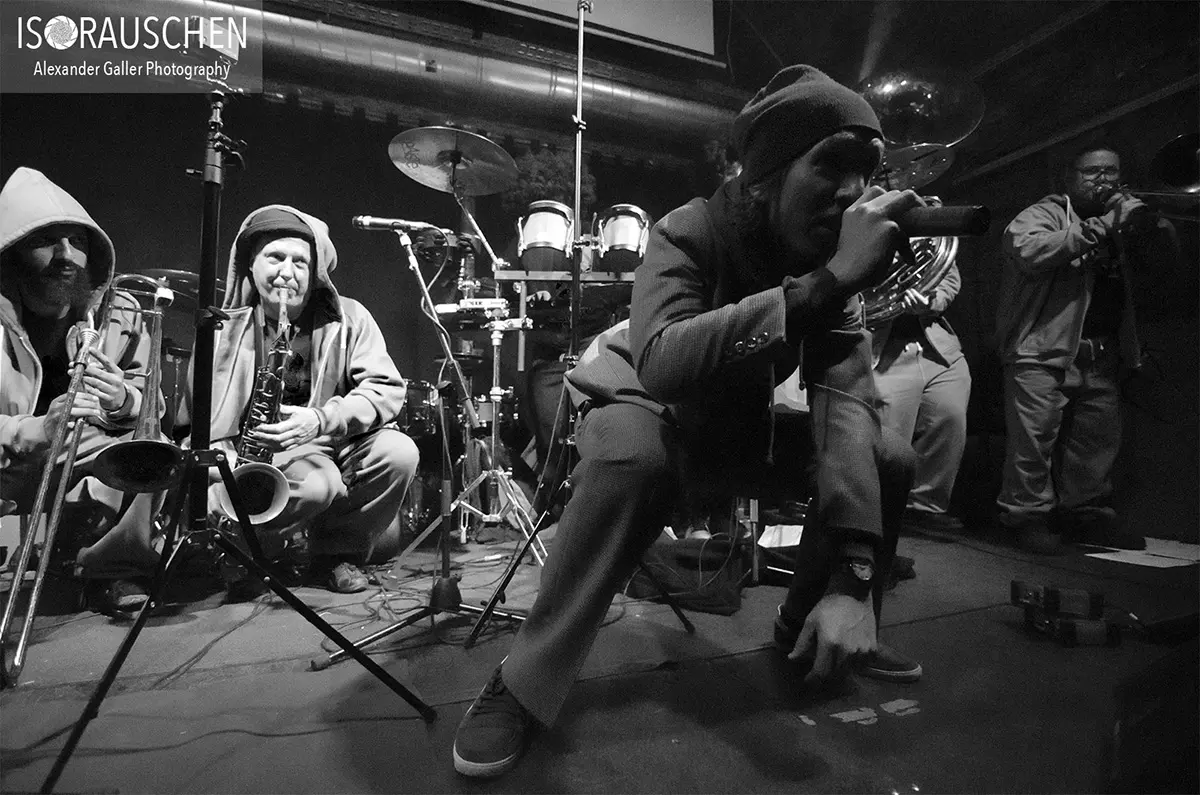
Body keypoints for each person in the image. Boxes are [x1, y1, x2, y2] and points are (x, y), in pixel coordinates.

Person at [452, 64, 921, 778]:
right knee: (632, 456)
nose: (853, 191)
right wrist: (821, 288)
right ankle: (522, 681)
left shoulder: (832, 264)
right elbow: (664, 363)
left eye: (867, 171)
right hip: (643, 403)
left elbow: (848, 401)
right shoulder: (690, 229)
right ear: (767, 175)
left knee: (886, 455)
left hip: (733, 424)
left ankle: (809, 628)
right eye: (832, 166)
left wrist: (854, 581)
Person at [181, 205, 420, 594]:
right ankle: (248, 552)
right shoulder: (220, 330)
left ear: (316, 271)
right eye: (275, 257)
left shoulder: (352, 317)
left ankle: (334, 556)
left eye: (300, 262)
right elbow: (194, 421)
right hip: (249, 453)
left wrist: (322, 419)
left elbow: (386, 389)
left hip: (329, 442)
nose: (287, 272)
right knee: (315, 487)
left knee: (399, 452)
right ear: (250, 265)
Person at [0, 167, 164, 615]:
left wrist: (123, 400)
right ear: (11, 251)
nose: (66, 255)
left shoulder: (120, 312)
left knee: (150, 451)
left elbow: (151, 405)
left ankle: (113, 568)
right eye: (45, 241)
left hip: (75, 458)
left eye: (77, 241)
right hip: (10, 464)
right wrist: (38, 430)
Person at [995, 144, 1174, 553]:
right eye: (1092, 172)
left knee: (1094, 444)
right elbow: (1030, 251)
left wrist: (1157, 228)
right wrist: (1104, 226)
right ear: (1069, 176)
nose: (1103, 181)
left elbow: (1160, 272)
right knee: (1032, 446)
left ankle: (1085, 516)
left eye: (1111, 172)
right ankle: (1025, 518)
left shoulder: (1122, 222)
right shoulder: (1041, 214)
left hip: (1101, 353)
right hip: (1041, 351)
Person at [870, 260, 971, 535]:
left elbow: (949, 276)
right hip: (882, 345)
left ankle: (923, 508)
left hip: (934, 345)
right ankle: (878, 512)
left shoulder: (930, 236)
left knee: (949, 414)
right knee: (890, 440)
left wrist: (930, 302)